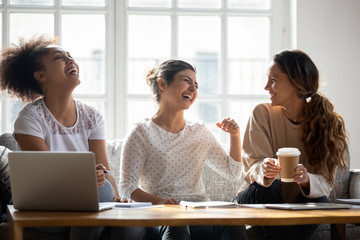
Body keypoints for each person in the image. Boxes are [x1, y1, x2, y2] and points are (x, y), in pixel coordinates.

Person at [0, 36, 143, 240]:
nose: (71, 61)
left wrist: (117, 198)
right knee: (100, 191)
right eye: (60, 58)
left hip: (88, 202)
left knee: (131, 226)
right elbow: (46, 176)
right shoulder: (29, 119)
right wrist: (88, 180)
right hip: (43, 205)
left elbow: (105, 170)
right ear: (41, 75)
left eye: (71, 56)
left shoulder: (92, 116)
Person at [120, 59, 247, 240]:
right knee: (177, 225)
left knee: (233, 223)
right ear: (162, 84)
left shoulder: (199, 131)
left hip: (198, 213)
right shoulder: (141, 133)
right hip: (160, 215)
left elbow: (232, 173)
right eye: (187, 81)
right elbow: (127, 187)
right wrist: (162, 202)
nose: (193, 89)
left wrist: (235, 136)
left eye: (196, 85)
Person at [233, 50, 348, 240]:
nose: (266, 87)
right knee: (271, 189)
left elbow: (326, 182)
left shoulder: (328, 123)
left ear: (297, 82)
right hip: (259, 195)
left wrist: (306, 179)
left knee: (320, 200)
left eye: (273, 80)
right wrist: (265, 170)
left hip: (300, 202)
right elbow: (252, 166)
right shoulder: (261, 113)